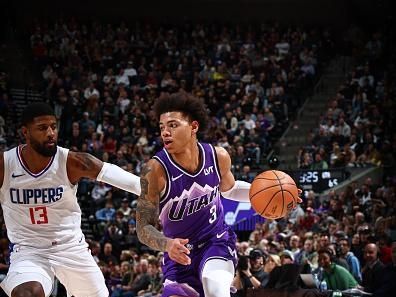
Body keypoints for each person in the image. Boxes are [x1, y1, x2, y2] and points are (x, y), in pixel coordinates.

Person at [136, 92, 302, 297]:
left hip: (216, 241)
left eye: (173, 125)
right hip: (179, 254)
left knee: (214, 286)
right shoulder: (154, 170)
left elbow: (230, 189)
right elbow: (143, 227)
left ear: (194, 127)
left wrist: (273, 194)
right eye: (162, 127)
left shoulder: (217, 156)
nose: (165, 133)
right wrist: (166, 243)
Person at [0, 102, 141, 297]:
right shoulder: (5, 165)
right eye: (42, 128)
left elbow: (109, 172)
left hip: (71, 247)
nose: (50, 133)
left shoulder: (70, 161)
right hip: (29, 250)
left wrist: (155, 191)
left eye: (53, 126)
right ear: (25, 132)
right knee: (27, 294)